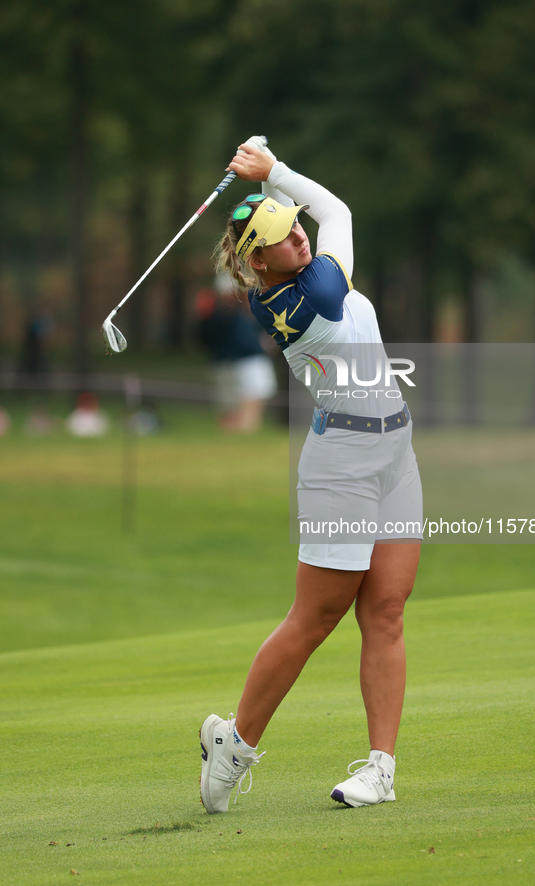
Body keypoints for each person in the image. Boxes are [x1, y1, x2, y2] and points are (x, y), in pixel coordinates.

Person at [199, 138, 423, 813]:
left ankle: (380, 770)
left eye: (296, 226)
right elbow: (342, 214)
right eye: (283, 237)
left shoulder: (300, 265)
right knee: (316, 617)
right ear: (257, 262)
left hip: (395, 452)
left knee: (385, 611)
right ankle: (234, 744)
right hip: (341, 468)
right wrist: (276, 173)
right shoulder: (299, 305)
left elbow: (324, 215)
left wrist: (272, 178)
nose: (299, 237)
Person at [195, 272, 278, 432]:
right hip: (231, 364)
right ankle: (237, 437)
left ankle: (244, 436)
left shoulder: (249, 309)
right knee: (232, 410)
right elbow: (205, 339)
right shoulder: (218, 313)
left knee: (253, 401)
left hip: (249, 362)